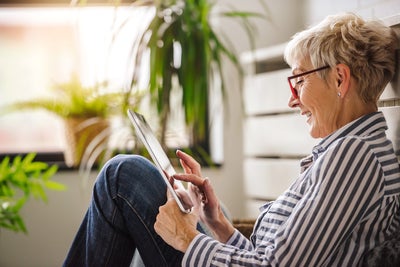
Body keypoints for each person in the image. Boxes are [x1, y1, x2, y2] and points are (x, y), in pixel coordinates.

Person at [63, 12, 400, 266]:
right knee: (145, 187)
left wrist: (187, 237)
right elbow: (274, 255)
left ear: (340, 79)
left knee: (122, 175)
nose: (292, 99)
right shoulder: (347, 152)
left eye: (297, 80)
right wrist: (218, 224)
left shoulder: (355, 155)